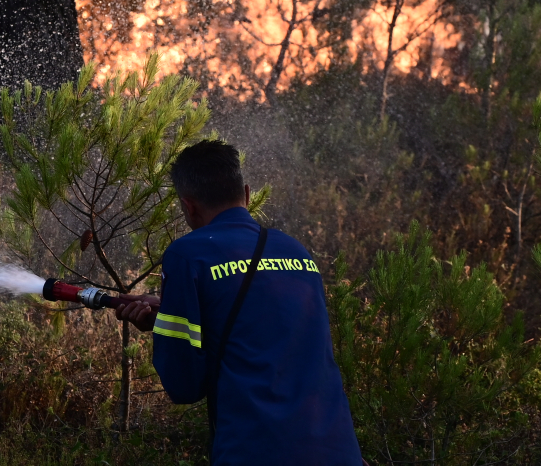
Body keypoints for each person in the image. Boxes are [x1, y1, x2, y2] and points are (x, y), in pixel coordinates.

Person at [115, 140, 362, 465]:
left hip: (258, 451)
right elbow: (273, 331)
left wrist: (164, 326)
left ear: (189, 206)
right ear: (246, 194)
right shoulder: (296, 252)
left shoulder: (188, 255)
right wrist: (180, 312)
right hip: (338, 449)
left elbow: (185, 386)